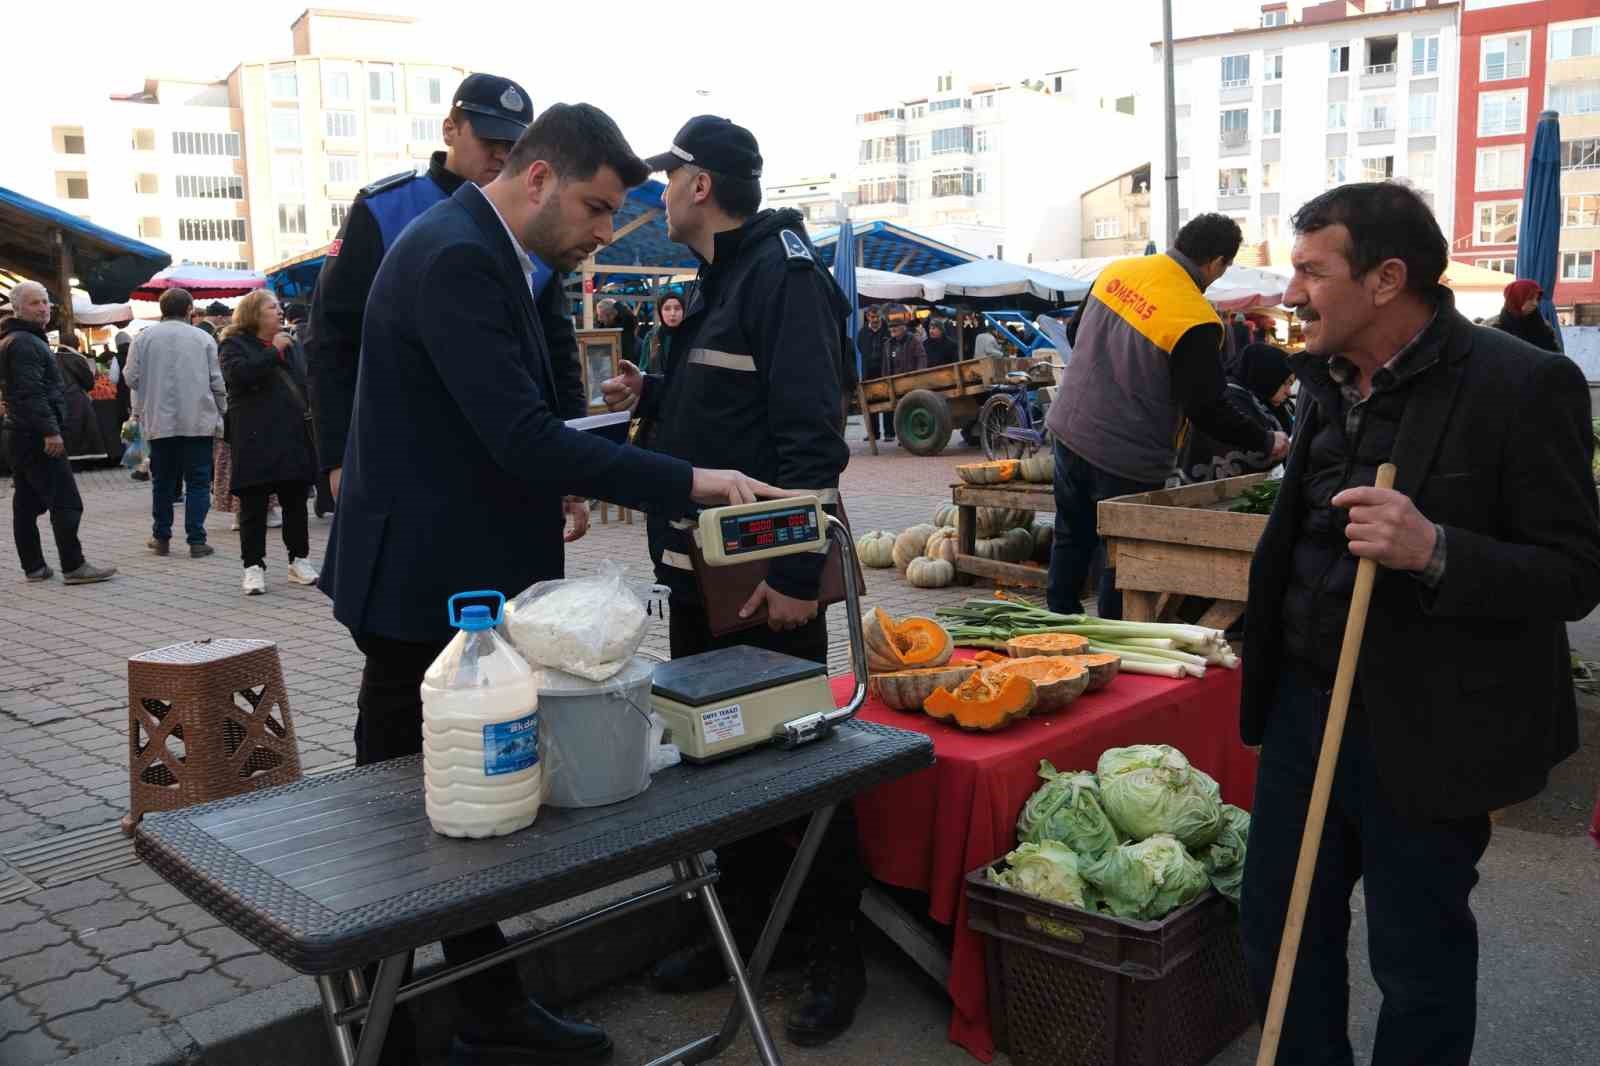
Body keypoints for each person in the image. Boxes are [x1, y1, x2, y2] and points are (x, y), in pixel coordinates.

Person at [321, 101, 787, 1066]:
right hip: (420, 587)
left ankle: (489, 1007)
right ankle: (391, 1037)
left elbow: (525, 414)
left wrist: (575, 468)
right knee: (401, 826)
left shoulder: (490, 251)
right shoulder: (454, 255)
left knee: (466, 810)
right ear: (538, 178)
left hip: (461, 573)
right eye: (598, 207)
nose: (606, 232)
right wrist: (690, 476)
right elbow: (518, 435)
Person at [1240, 181, 1600, 1064]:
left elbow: (1576, 572)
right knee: (1279, 931)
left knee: (1417, 959)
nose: (1291, 294)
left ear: (1387, 278)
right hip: (1302, 711)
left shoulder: (1524, 384)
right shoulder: (1323, 381)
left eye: (1311, 273)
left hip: (1429, 730)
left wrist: (1435, 548)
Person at [602, 114, 861, 1047]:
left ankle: (835, 949)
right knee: (718, 754)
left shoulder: (782, 278)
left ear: (700, 183)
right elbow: (722, 407)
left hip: (763, 584)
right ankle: (746, 931)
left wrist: (799, 575)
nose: (660, 192)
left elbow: (808, 441)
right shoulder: (717, 280)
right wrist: (654, 396)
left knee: (797, 763)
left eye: (669, 176)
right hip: (701, 577)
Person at [305, 72, 584, 521]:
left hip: (510, 455)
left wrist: (572, 463)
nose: (501, 153)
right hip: (404, 456)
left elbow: (557, 353)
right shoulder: (384, 209)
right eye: (490, 138)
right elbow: (332, 338)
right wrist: (337, 457)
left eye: (514, 144)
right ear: (450, 129)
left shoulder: (538, 225)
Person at [1045, 213, 1289, 616]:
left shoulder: (1118, 271)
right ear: (1217, 262)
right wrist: (1266, 440)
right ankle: (1115, 645)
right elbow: (1206, 406)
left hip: (1070, 427)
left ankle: (1057, 634)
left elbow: (1075, 334)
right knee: (1122, 556)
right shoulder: (1195, 317)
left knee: (1071, 535)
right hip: (1127, 452)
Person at [0, 282, 116, 585]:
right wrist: (50, 431)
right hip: (35, 435)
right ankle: (74, 565)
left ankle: (34, 567)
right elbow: (31, 393)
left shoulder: (19, 339)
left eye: (45, 302)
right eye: (34, 303)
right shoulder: (24, 342)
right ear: (18, 308)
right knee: (66, 501)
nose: (43, 308)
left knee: (26, 503)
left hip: (21, 432)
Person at [218, 291, 318, 596]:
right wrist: (273, 352)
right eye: (271, 307)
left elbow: (303, 381)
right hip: (254, 436)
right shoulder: (233, 344)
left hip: (290, 433)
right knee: (253, 505)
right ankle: (253, 567)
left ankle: (299, 560)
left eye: (278, 307)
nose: (279, 311)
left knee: (295, 501)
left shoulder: (291, 343)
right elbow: (238, 376)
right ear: (254, 314)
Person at [124, 287, 226, 558]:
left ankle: (162, 537)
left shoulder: (143, 338)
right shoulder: (203, 338)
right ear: (189, 309)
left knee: (163, 481)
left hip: (159, 420)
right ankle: (196, 540)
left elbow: (130, 378)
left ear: (162, 309)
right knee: (198, 481)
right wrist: (223, 412)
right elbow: (217, 381)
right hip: (198, 420)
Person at [1177, 341, 1293, 483]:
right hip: (1209, 493)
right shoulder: (1230, 400)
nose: (1289, 391)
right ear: (1267, 377)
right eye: (1285, 383)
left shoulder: (1267, 402)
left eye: (1291, 384)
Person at [52, 334, 105, 459]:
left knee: (63, 428)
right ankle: (81, 459)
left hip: (57, 399)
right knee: (81, 429)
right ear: (77, 344)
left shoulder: (51, 357)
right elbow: (89, 383)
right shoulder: (78, 359)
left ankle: (64, 457)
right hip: (77, 399)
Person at [1487, 278, 1561, 352]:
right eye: (1530, 298)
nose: (1535, 303)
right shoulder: (1493, 328)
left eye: (1537, 299)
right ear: (1516, 298)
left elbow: (1554, 355)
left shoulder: (1544, 327)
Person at [857, 306, 891, 440]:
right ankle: (874, 433)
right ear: (867, 317)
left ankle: (889, 433)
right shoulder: (863, 333)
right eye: (872, 317)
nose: (875, 319)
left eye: (877, 317)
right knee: (870, 403)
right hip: (868, 372)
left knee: (888, 402)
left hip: (885, 372)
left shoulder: (887, 330)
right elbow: (860, 348)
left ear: (881, 316)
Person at [638, 291, 683, 373]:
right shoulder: (651, 337)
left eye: (677, 308)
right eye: (667, 309)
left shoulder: (691, 336)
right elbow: (643, 370)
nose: (672, 313)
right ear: (660, 312)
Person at [881, 306, 926, 375]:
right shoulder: (887, 345)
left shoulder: (914, 341)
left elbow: (921, 362)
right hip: (893, 383)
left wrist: (917, 379)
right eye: (890, 326)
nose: (892, 329)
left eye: (895, 326)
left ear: (904, 327)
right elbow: (885, 369)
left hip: (911, 382)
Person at [594, 298, 640, 362]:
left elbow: (630, 316)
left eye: (601, 316)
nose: (599, 319)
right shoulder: (604, 327)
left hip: (626, 362)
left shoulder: (626, 324)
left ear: (610, 315)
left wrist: (616, 304)